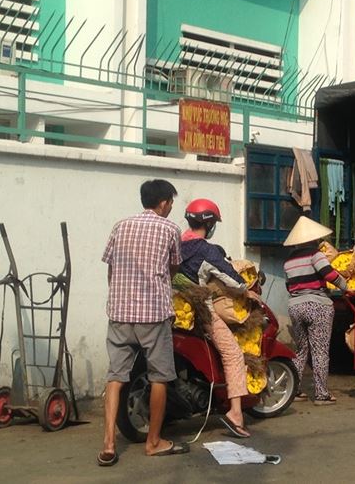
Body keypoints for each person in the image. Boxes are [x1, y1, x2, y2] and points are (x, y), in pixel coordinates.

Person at [98, 179, 190, 467]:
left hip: (120, 311)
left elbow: (111, 268)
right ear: (163, 202)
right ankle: (153, 442)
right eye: (171, 203)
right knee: (160, 376)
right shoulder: (171, 229)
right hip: (153, 312)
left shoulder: (120, 225)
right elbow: (173, 268)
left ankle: (109, 444)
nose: (171, 208)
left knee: (116, 376)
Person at [178, 198, 257, 438]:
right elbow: (230, 276)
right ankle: (235, 413)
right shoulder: (206, 250)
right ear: (210, 224)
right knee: (233, 353)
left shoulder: (177, 243)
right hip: (200, 309)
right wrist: (246, 288)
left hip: (176, 307)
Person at [282, 215, 347, 406]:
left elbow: (289, 286)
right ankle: (321, 394)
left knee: (301, 350)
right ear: (314, 239)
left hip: (295, 306)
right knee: (320, 351)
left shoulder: (288, 261)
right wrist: (345, 286)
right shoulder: (316, 255)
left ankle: (294, 389)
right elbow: (330, 275)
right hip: (317, 306)